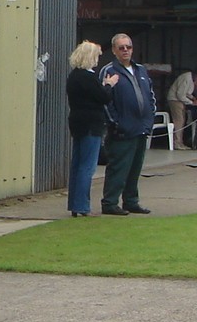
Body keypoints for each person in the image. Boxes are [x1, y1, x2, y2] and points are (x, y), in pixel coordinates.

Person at [99, 35, 156, 214]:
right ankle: (110, 202)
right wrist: (116, 123)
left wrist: (149, 120)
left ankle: (131, 200)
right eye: (121, 47)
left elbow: (151, 96)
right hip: (122, 129)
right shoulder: (109, 71)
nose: (125, 50)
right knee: (119, 167)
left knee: (135, 167)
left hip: (141, 128)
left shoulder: (141, 70)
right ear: (114, 50)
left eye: (128, 47)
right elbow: (104, 100)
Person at [66, 41, 119, 217]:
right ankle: (81, 205)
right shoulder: (88, 77)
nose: (97, 60)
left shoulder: (74, 76)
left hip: (77, 122)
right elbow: (104, 98)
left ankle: (75, 203)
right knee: (87, 166)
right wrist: (109, 84)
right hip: (91, 123)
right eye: (96, 56)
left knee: (77, 164)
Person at [165, 66, 197, 149]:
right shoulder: (186, 78)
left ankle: (180, 142)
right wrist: (192, 103)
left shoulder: (191, 79)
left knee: (182, 121)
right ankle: (177, 143)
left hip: (179, 100)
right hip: (175, 100)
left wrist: (194, 99)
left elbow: (186, 93)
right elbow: (180, 95)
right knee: (179, 121)